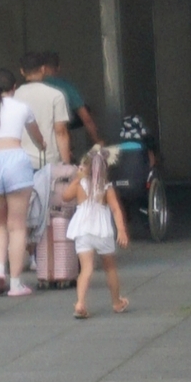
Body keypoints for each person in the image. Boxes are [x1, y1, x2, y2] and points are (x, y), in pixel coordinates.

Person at [0, 69, 46, 297]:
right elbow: (37, 137)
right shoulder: (22, 108)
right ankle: (15, 284)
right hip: (16, 161)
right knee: (17, 225)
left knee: (0, 223)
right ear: (14, 88)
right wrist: (42, 146)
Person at [14, 52, 71, 285]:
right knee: (48, 209)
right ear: (45, 69)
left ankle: (24, 254)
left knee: (22, 209)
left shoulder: (14, 96)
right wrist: (66, 164)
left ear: (21, 71)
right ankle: (42, 256)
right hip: (47, 160)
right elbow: (60, 131)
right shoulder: (56, 95)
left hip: (19, 160)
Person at [64, 144, 130, 318]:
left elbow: (65, 196)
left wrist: (77, 179)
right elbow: (116, 209)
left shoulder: (79, 185)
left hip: (83, 229)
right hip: (102, 230)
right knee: (110, 268)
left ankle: (80, 303)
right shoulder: (106, 187)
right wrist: (121, 230)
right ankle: (116, 302)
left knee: (86, 269)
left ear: (86, 168)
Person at [42, 51, 102, 157]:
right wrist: (97, 141)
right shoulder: (66, 87)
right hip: (61, 143)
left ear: (42, 68)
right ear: (58, 68)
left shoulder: (26, 89)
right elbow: (86, 118)